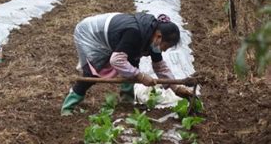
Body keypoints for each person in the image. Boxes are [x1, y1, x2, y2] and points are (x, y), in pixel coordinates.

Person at [61, 12, 194, 116]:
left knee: (132, 63)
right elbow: (116, 60)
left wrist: (176, 88)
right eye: (166, 45)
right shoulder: (135, 33)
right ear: (159, 36)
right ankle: (68, 106)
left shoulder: (152, 37)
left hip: (111, 34)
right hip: (91, 34)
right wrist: (140, 76)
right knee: (93, 73)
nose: (164, 50)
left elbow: (159, 66)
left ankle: (126, 102)